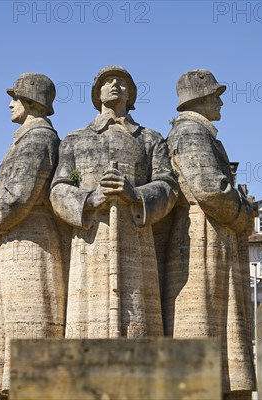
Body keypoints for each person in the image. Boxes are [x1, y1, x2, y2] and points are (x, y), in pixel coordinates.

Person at [50, 66, 177, 338]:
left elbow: (168, 186)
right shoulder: (76, 139)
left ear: (131, 93)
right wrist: (90, 199)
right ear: (97, 93)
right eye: (107, 82)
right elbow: (58, 189)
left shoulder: (149, 138)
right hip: (90, 240)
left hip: (136, 237)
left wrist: (135, 194)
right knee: (87, 323)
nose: (115, 85)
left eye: (122, 81)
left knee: (140, 320)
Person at [164, 69, 258, 400]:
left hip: (212, 230)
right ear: (200, 98)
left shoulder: (200, 133)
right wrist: (246, 212)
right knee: (204, 317)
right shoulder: (191, 133)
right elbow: (209, 190)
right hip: (202, 231)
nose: (220, 101)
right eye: (215, 95)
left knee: (220, 320)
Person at [0, 73, 66, 398]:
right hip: (14, 239)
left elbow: (19, 196)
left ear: (31, 101)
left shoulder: (37, 139)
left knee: (26, 322)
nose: (11, 104)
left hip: (30, 242)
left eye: (16, 97)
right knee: (6, 324)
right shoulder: (24, 138)